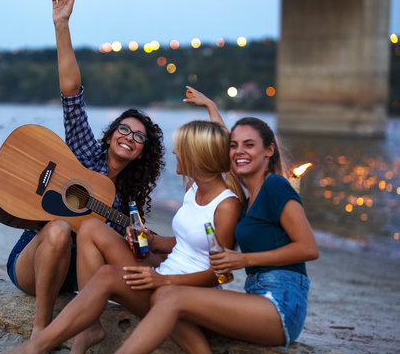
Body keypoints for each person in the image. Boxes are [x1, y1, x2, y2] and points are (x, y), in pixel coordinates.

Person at [2, 118, 244, 354]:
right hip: (166, 274)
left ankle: (36, 346)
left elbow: (221, 274)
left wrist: (163, 281)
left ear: (198, 154)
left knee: (107, 274)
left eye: (180, 147)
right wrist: (154, 241)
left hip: (181, 291)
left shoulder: (227, 206)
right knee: (90, 228)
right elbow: (188, 242)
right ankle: (89, 328)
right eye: (124, 129)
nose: (174, 151)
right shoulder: (194, 190)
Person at [4, 0, 165, 346]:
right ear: (110, 136)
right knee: (60, 229)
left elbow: (129, 258)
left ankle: (85, 323)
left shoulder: (127, 203)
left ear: (141, 154)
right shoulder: (83, 155)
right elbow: (71, 92)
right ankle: (41, 328)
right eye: (124, 128)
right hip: (33, 263)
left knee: (87, 232)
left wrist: (158, 250)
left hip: (76, 281)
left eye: (139, 137)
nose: (129, 137)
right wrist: (62, 25)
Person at [113, 114, 320, 353]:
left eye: (249, 145)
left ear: (269, 150)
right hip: (256, 297)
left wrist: (244, 259)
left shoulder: (275, 185)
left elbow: (308, 248)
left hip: (281, 304)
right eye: (234, 146)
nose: (239, 151)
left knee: (170, 295)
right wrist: (211, 109)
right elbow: (212, 151)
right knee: (166, 296)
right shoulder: (251, 196)